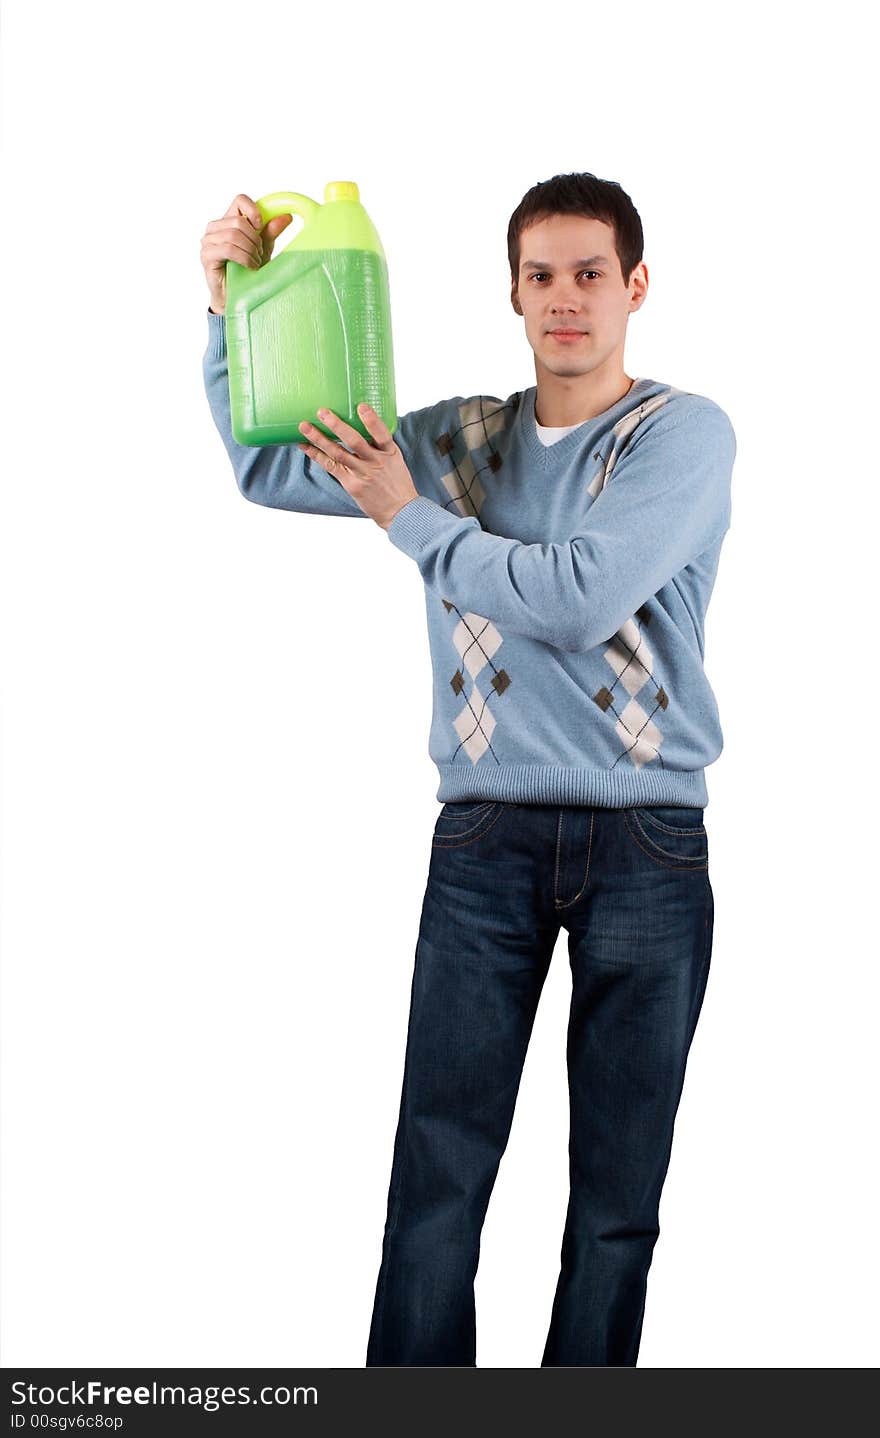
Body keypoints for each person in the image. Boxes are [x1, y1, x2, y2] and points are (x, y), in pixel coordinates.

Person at [199, 171, 736, 1367]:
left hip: (647, 845)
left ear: (633, 285)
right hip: (483, 838)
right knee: (434, 1187)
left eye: (590, 273)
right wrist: (229, 306)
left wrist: (410, 520)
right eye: (540, 275)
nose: (565, 299)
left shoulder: (681, 434)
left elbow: (577, 592)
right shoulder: (454, 440)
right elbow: (269, 466)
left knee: (615, 1202)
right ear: (512, 292)